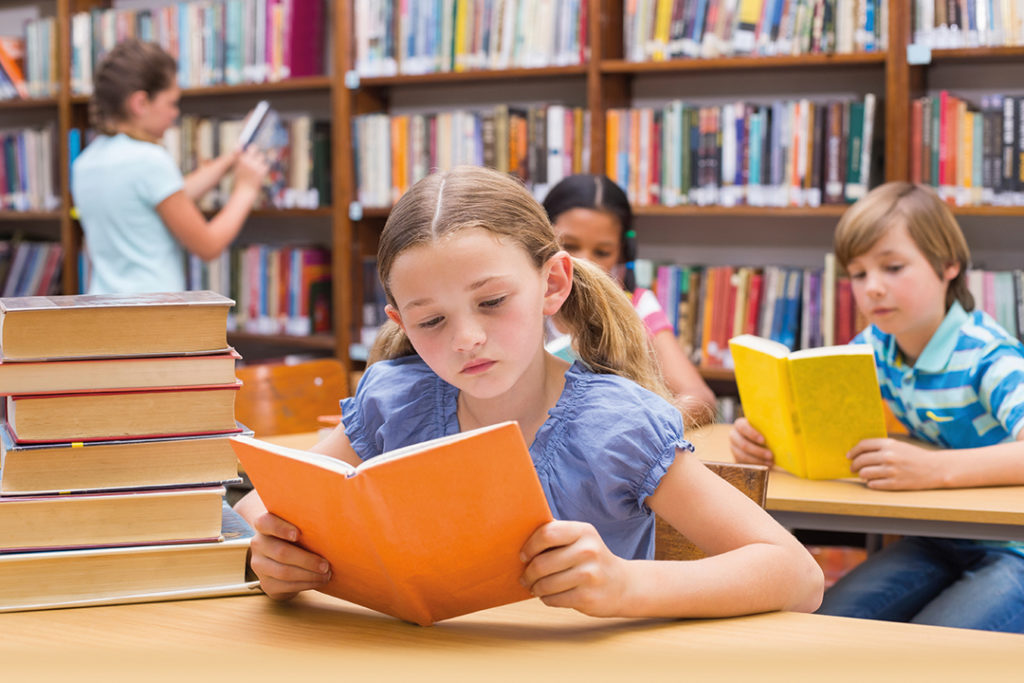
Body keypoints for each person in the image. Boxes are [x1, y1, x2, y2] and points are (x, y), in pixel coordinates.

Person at [235, 165, 823, 620]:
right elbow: (258, 510)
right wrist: (270, 554)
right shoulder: (396, 401)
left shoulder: (617, 425)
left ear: (553, 283)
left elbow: (797, 575)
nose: (467, 339)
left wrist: (624, 583)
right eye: (430, 321)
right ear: (398, 320)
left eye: (492, 302)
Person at [730, 181, 1024, 633]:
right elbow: (824, 425)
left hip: (1015, 549)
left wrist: (933, 470)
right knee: (827, 625)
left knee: (932, 655)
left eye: (892, 267)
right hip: (938, 538)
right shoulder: (874, 346)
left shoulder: (989, 356)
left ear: (949, 266)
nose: (873, 289)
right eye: (860, 274)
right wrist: (763, 439)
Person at [71, 39, 269, 295]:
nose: (175, 114)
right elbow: (208, 246)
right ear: (140, 103)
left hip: (105, 311)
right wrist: (246, 190)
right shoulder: (149, 160)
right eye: (171, 103)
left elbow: (165, 198)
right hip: (154, 317)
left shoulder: (86, 162)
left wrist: (231, 160)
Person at [542, 174, 716, 425]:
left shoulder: (637, 306)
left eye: (602, 252)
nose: (584, 262)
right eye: (568, 245)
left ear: (625, 252)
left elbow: (699, 397)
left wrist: (644, 426)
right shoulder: (523, 302)